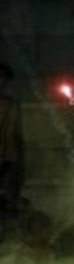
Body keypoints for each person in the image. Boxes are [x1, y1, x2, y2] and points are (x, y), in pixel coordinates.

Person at [0, 62, 24, 218]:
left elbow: (17, 135)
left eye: (4, 79)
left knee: (8, 199)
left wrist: (20, 161)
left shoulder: (13, 105)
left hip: (8, 158)